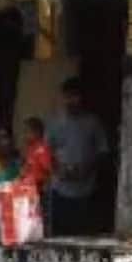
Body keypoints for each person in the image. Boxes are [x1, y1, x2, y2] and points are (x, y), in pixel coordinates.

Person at [47, 78, 108, 237]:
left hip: (86, 191)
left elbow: (103, 151)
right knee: (59, 237)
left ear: (82, 98)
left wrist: (87, 168)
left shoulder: (93, 122)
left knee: (83, 236)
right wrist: (58, 169)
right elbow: (46, 152)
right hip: (59, 190)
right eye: (67, 96)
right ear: (62, 97)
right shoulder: (54, 122)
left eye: (75, 96)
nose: (71, 101)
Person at [20, 118, 54, 194]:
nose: (24, 135)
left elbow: (48, 170)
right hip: (29, 185)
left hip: (38, 187)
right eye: (24, 132)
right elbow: (29, 164)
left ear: (37, 133)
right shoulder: (31, 146)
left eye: (27, 131)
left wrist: (44, 184)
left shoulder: (42, 149)